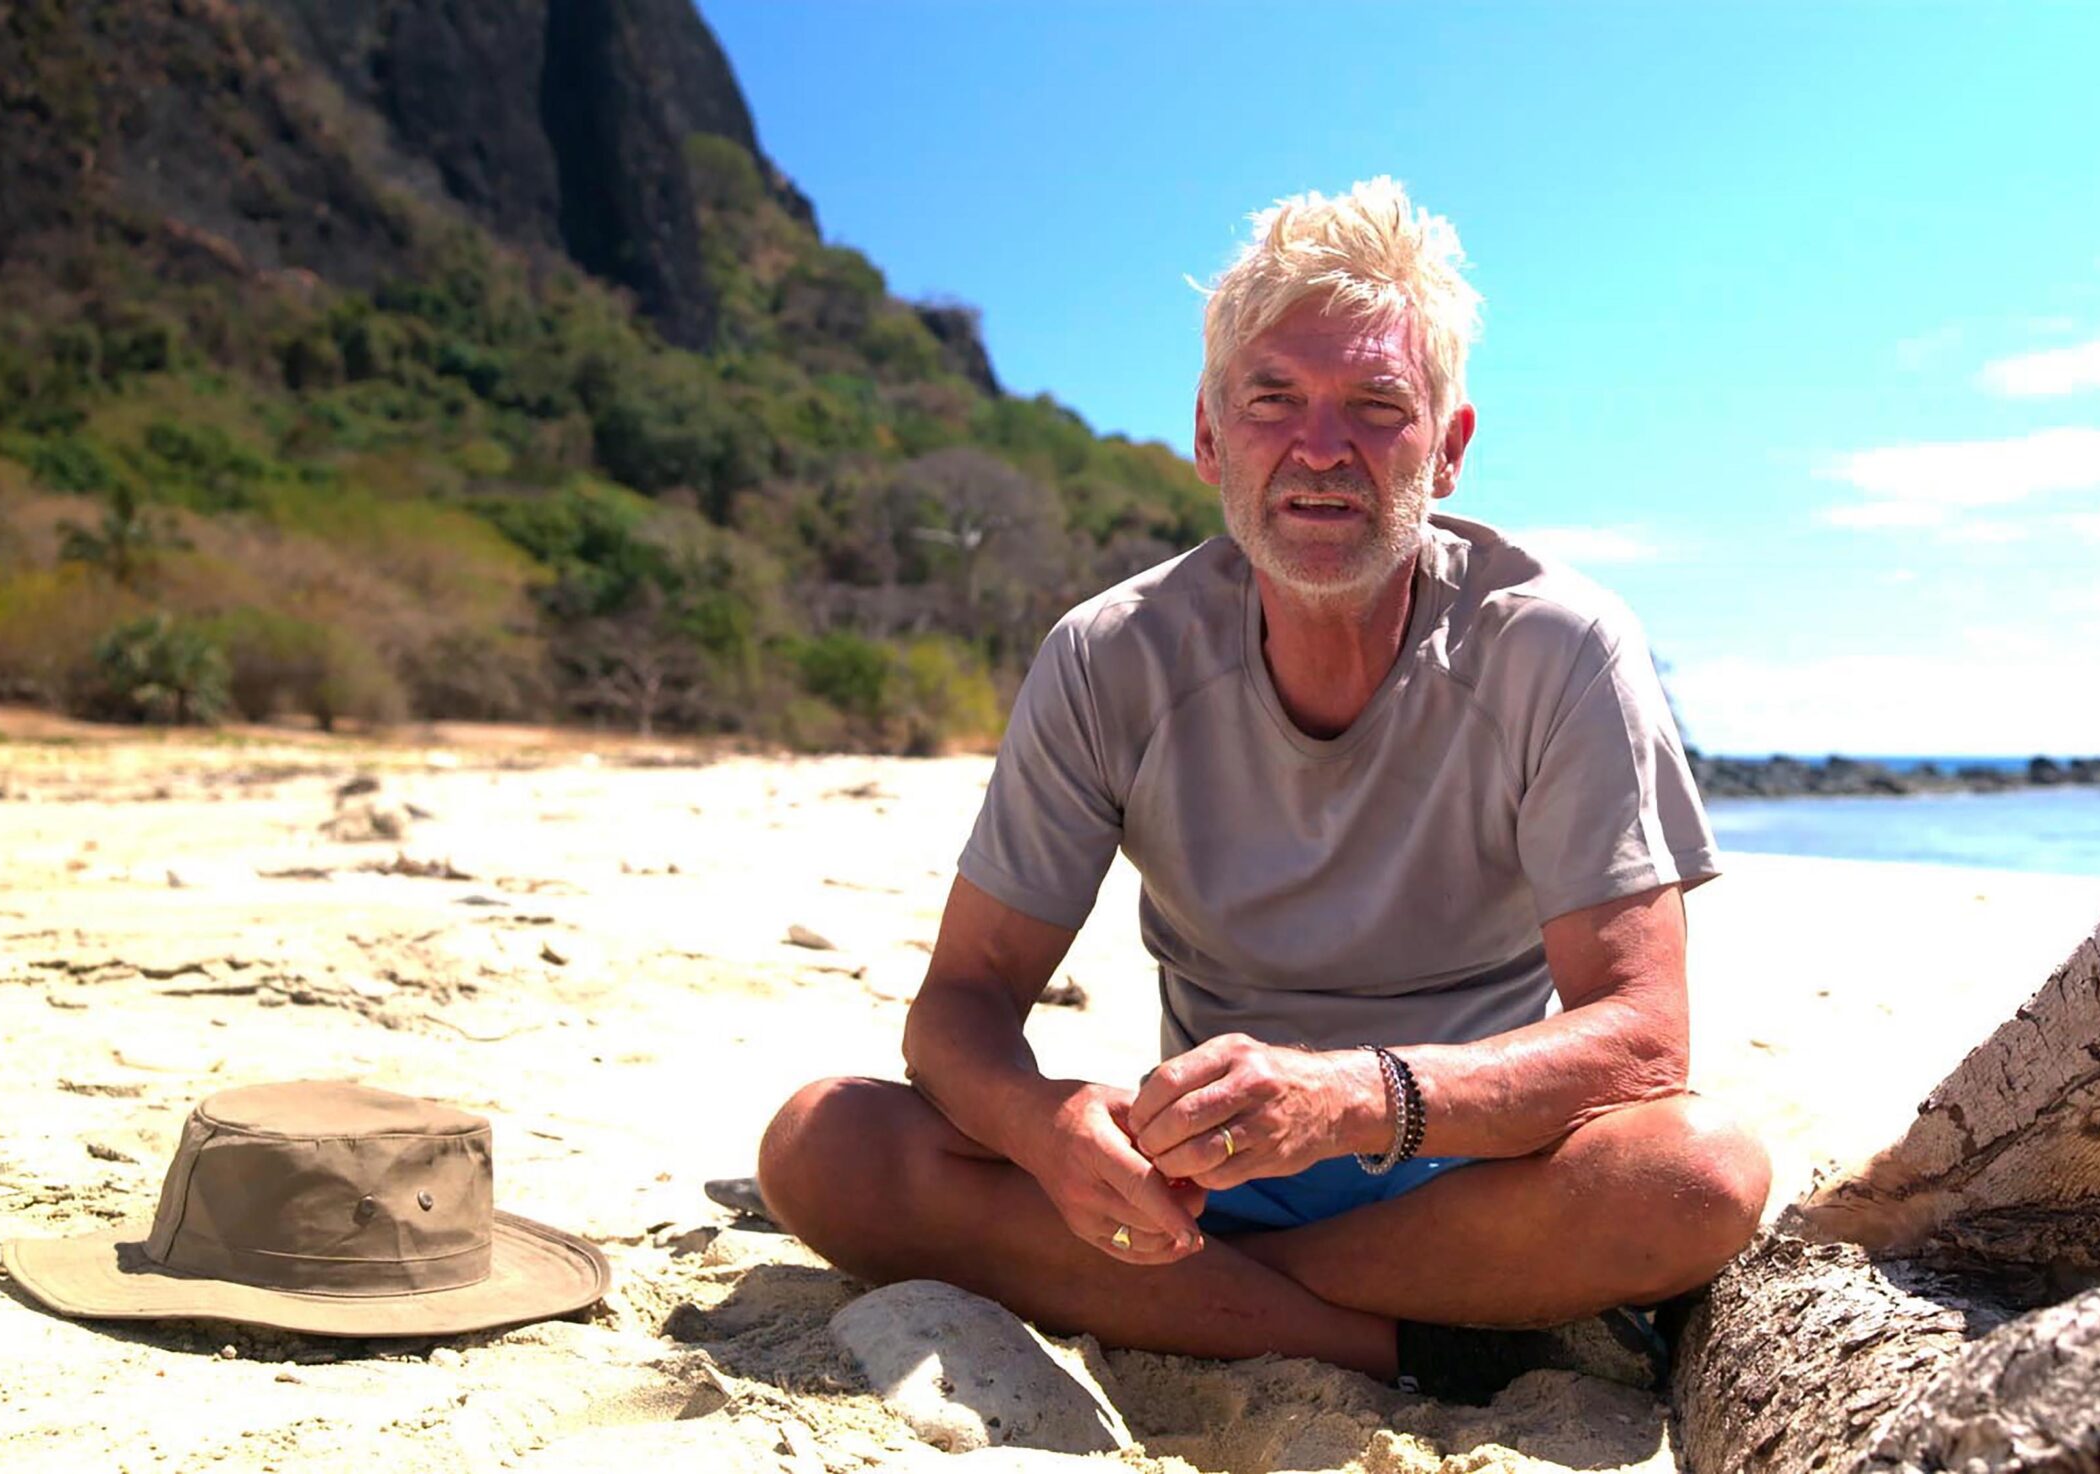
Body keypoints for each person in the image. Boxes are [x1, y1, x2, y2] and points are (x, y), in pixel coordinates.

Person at [757, 177, 1769, 1403]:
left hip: (1472, 1159)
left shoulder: (1556, 645)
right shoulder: (1111, 656)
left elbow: (1643, 1039)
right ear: (1208, 436)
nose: (1320, 448)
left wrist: (1352, 1098)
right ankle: (1406, 1340)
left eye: (1377, 407)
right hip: (1206, 1174)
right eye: (1272, 399)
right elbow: (960, 1006)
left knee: (1697, 1171)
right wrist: (1043, 1127)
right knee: (822, 1144)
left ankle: (1221, 1298)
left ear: (1447, 448)